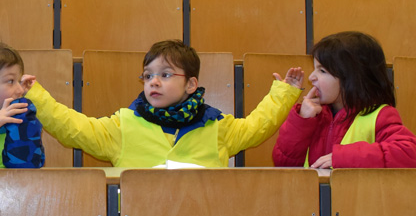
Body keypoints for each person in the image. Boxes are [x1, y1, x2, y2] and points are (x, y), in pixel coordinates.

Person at [21, 39, 303, 168]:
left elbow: (257, 127)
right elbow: (74, 128)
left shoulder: (216, 126)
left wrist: (284, 93)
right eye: (148, 76)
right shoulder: (123, 125)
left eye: (165, 75)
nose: (153, 82)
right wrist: (35, 96)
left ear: (191, 84)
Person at [273, 31, 416, 168]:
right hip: (313, 193)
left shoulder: (380, 116)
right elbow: (283, 164)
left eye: (322, 71)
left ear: (352, 79)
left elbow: (410, 153)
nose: (311, 78)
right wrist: (302, 121)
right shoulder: (312, 115)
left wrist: (342, 158)